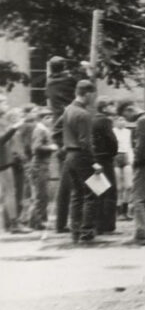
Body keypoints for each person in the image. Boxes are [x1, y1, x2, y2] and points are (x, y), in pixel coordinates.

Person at [48, 57, 93, 234]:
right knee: (80, 188)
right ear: (64, 67)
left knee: (69, 186)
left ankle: (65, 224)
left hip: (64, 134)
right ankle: (84, 225)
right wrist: (87, 70)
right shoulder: (69, 82)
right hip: (72, 131)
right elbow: (82, 86)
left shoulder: (50, 82)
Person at [117, 99, 145, 246]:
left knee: (137, 199)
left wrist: (135, 162)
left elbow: (142, 147)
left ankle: (141, 235)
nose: (126, 120)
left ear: (129, 109)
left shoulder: (142, 121)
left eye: (125, 116)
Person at [62, 80, 101, 243]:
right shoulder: (83, 114)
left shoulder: (68, 110)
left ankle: (75, 231)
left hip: (69, 156)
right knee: (92, 193)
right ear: (87, 94)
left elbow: (58, 130)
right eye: (93, 95)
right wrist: (94, 162)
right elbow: (85, 142)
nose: (94, 98)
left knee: (77, 194)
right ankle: (87, 231)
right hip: (81, 157)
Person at [26, 107, 58, 230]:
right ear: (41, 119)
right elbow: (36, 147)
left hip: (43, 165)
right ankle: (36, 221)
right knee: (40, 195)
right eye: (47, 117)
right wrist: (51, 147)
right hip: (39, 165)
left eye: (51, 117)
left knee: (42, 194)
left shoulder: (44, 129)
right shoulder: (40, 130)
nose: (50, 120)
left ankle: (38, 220)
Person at [92, 97, 118, 233]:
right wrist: (113, 152)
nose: (114, 108)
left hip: (95, 158)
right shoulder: (106, 121)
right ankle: (109, 225)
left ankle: (98, 224)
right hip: (105, 159)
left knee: (98, 191)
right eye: (111, 105)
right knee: (110, 192)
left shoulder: (94, 120)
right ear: (104, 108)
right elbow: (112, 140)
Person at [0, 97, 26, 233]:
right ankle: (14, 224)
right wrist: (14, 128)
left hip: (4, 159)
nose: (6, 104)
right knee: (10, 192)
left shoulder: (3, 120)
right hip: (2, 160)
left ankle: (9, 223)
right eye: (3, 102)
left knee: (6, 192)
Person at [113, 115, 134, 221]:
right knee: (118, 187)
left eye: (123, 119)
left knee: (129, 186)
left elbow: (129, 146)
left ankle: (125, 211)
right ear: (115, 121)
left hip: (125, 156)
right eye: (119, 120)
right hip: (116, 157)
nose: (122, 122)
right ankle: (118, 212)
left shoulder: (128, 132)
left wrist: (131, 159)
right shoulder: (112, 132)